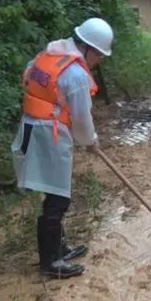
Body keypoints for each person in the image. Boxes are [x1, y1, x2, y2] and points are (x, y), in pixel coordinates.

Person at [11, 18, 113, 279]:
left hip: (33, 127)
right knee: (58, 198)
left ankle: (60, 248)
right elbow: (81, 117)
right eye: (100, 55)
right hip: (49, 135)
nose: (99, 60)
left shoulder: (50, 54)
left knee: (53, 192)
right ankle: (51, 262)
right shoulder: (76, 75)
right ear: (88, 48)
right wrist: (91, 140)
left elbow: (28, 77)